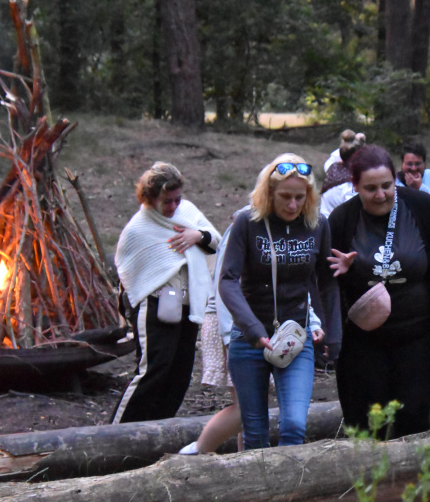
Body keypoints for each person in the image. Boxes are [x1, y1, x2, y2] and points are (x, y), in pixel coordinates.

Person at [328, 145, 430, 436]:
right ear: (355, 186)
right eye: (370, 188)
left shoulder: (422, 208)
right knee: (372, 418)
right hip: (365, 340)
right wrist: (343, 273)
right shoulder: (342, 220)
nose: (380, 194)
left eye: (386, 186)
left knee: (412, 414)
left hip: (419, 334)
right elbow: (324, 279)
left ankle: (414, 465)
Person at [219, 153, 340, 449]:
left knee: (295, 425)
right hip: (250, 338)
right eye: (285, 197)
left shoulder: (318, 225)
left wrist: (330, 330)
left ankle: (290, 480)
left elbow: (326, 282)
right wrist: (251, 328)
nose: (293, 205)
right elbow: (227, 280)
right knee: (255, 432)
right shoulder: (247, 223)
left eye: (300, 197)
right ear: (269, 192)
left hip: (296, 336)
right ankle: (260, 481)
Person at [180, 212, 324, 455]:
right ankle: (198, 453)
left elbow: (295, 286)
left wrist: (316, 321)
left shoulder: (295, 230)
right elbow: (226, 286)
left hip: (280, 332)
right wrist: (232, 335)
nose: (292, 206)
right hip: (238, 328)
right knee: (245, 413)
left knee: (257, 414)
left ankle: (244, 460)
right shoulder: (247, 226)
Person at [112, 162, 221, 423]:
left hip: (189, 303)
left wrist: (197, 236)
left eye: (177, 199)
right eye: (167, 201)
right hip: (156, 304)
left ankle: (161, 428)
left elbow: (215, 240)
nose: (173, 206)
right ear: (150, 199)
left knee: (180, 373)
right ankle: (117, 431)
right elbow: (127, 267)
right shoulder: (139, 227)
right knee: (154, 369)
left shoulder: (187, 212)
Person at [320, 136, 365, 217]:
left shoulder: (331, 167)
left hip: (323, 219)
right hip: (337, 223)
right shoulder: (350, 186)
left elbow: (338, 154)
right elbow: (352, 212)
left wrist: (350, 143)